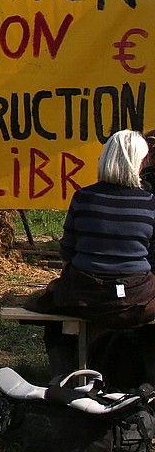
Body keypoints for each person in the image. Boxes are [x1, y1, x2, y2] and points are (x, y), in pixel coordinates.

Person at [26, 129, 155, 374]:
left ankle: (63, 375)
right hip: (136, 299)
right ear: (138, 163)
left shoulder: (83, 198)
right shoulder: (149, 204)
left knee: (53, 318)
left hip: (83, 296)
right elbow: (152, 257)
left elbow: (67, 252)